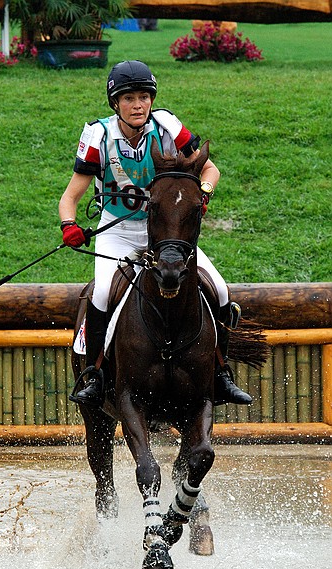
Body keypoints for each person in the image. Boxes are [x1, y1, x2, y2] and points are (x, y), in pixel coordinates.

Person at [59, 60, 252, 408]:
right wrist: (69, 225)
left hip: (167, 235)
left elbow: (210, 169)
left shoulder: (167, 127)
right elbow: (70, 196)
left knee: (221, 290)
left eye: (144, 97)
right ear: (115, 103)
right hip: (118, 233)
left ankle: (221, 374)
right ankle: (95, 375)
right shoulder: (98, 136)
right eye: (129, 98)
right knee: (101, 293)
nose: (138, 105)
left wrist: (202, 193)